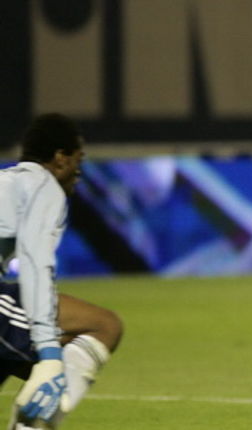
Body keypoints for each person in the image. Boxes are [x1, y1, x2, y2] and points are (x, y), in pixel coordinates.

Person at [1, 114, 123, 429]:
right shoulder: (44, 187)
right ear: (60, 158)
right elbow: (35, 266)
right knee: (102, 326)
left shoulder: (9, 182)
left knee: (12, 350)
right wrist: (50, 356)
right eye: (78, 161)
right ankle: (34, 423)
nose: (79, 172)